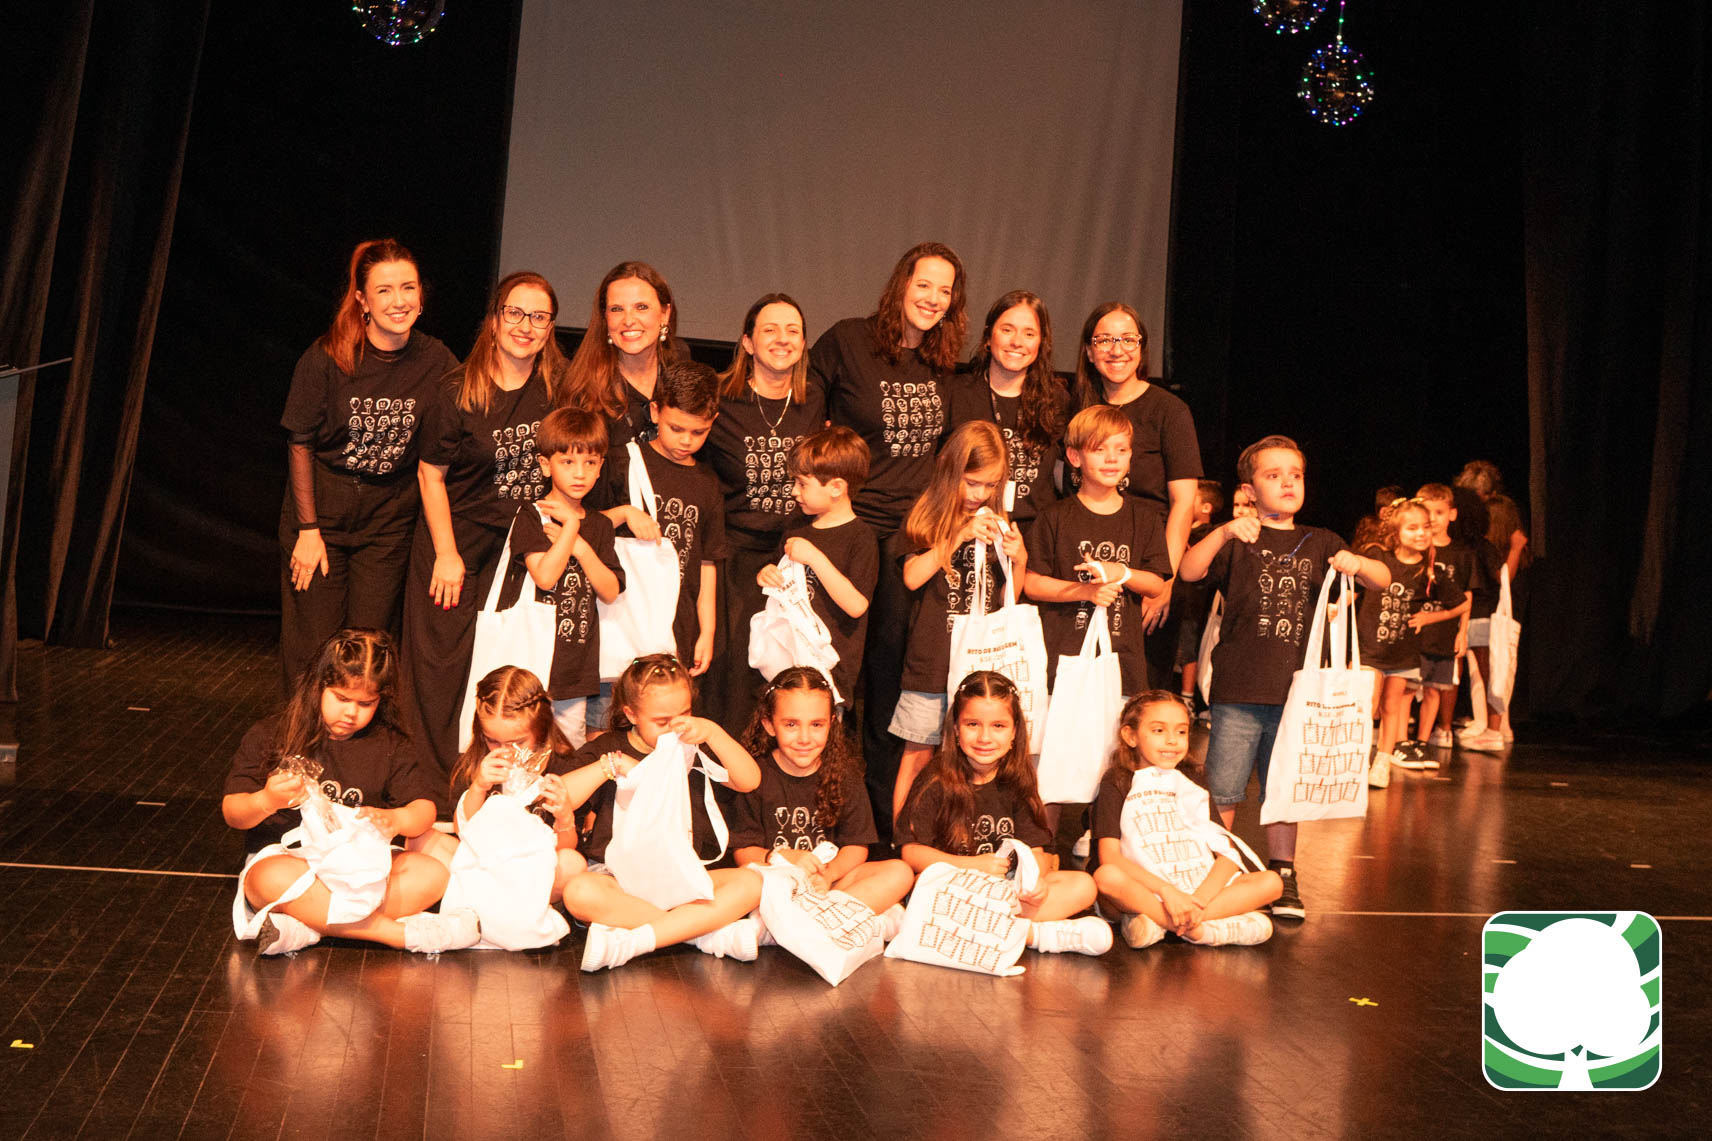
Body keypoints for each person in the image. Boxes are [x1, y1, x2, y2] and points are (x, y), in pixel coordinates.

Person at [1178, 435, 1389, 921]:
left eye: (1295, 474)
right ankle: (1215, 870)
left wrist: (1358, 563)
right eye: (1273, 475)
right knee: (1224, 789)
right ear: (1249, 490)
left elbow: (1381, 578)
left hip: (1297, 695)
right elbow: (1188, 571)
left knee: (1284, 790)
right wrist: (1225, 532)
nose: (1287, 483)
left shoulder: (1322, 541)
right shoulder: (1238, 539)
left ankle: (1283, 873)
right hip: (1237, 689)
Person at [810, 242, 967, 841]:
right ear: (901, 284)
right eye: (923, 284)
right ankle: (816, 809)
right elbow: (806, 413)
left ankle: (878, 825)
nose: (932, 298)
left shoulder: (944, 364)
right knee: (833, 678)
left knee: (888, 685)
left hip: (909, 539)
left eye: (945, 290)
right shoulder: (848, 340)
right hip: (846, 533)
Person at [399, 271, 567, 781]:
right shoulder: (456, 390)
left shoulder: (558, 389)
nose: (525, 326)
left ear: (550, 328)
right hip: (455, 544)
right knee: (440, 673)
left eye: (538, 317)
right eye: (514, 313)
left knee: (503, 672)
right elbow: (430, 475)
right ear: (494, 320)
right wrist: (447, 554)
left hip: (518, 549)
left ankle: (499, 783)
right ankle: (434, 787)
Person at [224, 629, 479, 956]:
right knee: (265, 879)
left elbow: (423, 810)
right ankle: (395, 934)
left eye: (365, 703)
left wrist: (396, 819)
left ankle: (308, 926)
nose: (351, 713)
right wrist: (267, 800)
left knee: (431, 874)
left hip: (361, 870)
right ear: (317, 687)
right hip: (291, 864)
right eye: (342, 698)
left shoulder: (390, 744)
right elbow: (234, 813)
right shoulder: (271, 734)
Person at [278, 239, 457, 690]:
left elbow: (471, 408)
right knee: (314, 646)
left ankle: (360, 733)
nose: (399, 301)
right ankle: (305, 732)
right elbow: (300, 443)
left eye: (408, 288)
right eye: (384, 290)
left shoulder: (436, 360)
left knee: (370, 645)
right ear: (362, 300)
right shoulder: (327, 357)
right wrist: (308, 529)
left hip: (387, 521)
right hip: (322, 515)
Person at [562, 655, 765, 971]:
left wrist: (712, 732)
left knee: (754, 882)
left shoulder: (694, 743)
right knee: (579, 892)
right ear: (631, 714)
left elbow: (749, 780)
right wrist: (609, 766)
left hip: (684, 878)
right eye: (661, 721)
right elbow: (562, 797)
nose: (675, 727)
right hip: (620, 882)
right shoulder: (609, 746)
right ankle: (702, 935)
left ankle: (641, 938)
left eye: (684, 714)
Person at [895, 671, 1110, 956]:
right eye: (972, 724)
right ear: (956, 729)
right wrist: (971, 865)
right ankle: (1036, 935)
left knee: (1083, 885)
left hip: (1003, 894)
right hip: (952, 888)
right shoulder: (936, 779)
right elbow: (911, 853)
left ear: (1014, 732)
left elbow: (1035, 850)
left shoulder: (1018, 780)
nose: (984, 737)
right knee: (920, 892)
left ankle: (979, 930)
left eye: (998, 725)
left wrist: (1034, 882)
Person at [704, 294, 828, 725]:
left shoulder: (815, 399)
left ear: (804, 343)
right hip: (735, 557)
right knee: (735, 675)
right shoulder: (721, 399)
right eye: (770, 330)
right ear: (748, 342)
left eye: (793, 331)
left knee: (792, 675)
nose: (782, 339)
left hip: (796, 554)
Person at [892, 421, 1024, 818]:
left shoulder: (999, 520)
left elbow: (1010, 596)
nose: (980, 494)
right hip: (931, 662)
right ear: (951, 471)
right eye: (972, 483)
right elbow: (912, 577)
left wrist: (1019, 558)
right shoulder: (926, 514)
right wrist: (960, 535)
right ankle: (903, 838)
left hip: (981, 663)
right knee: (918, 753)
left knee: (973, 763)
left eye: (990, 485)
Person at [1071, 304, 1203, 690]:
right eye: (1104, 340)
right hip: (1084, 568)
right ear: (1088, 350)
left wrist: (1164, 581)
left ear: (1142, 348)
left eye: (1128, 339)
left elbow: (1184, 503)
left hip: (1147, 571)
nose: (1117, 349)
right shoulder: (1076, 407)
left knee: (1139, 695)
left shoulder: (1169, 411)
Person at [1090, 691, 1281, 947]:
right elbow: (1110, 858)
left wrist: (1198, 901)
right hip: (1147, 888)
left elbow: (1227, 855)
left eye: (1181, 732)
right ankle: (1207, 931)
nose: (1172, 740)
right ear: (1130, 735)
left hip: (1194, 889)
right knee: (1107, 877)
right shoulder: (1117, 780)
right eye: (1159, 730)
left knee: (1272, 882)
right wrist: (1167, 891)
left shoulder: (1193, 779)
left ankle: (1166, 923)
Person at [730, 667, 913, 926]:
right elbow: (744, 853)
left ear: (831, 724)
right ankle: (834, 922)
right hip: (775, 884)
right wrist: (781, 856)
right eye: (791, 725)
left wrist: (828, 875)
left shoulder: (845, 774)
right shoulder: (753, 775)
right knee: (746, 883)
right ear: (769, 724)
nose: (804, 738)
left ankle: (807, 924)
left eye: (816, 725)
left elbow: (856, 847)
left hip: (828, 885)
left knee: (900, 872)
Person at [1024, 405, 1171, 699]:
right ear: (1074, 457)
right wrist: (1085, 591)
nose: (1112, 458)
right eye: (1099, 449)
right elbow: (1032, 583)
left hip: (1123, 665)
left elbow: (1156, 584)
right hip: (1062, 663)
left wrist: (1122, 573)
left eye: (1121, 449)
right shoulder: (1054, 516)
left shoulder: (1145, 519)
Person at [600, 360, 730, 684]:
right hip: (623, 620)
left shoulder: (707, 482)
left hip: (678, 626)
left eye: (698, 432)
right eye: (676, 428)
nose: (686, 441)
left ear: (713, 422)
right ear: (656, 412)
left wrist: (707, 631)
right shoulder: (622, 461)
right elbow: (584, 526)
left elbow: (707, 562)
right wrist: (624, 513)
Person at [508, 408, 624, 747]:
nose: (580, 473)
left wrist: (580, 545)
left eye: (590, 463)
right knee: (522, 746)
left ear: (601, 467)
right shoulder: (532, 515)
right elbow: (545, 576)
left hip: (576, 668)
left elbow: (610, 590)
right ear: (546, 465)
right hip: (532, 659)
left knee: (568, 750)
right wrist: (571, 525)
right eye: (568, 462)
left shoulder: (599, 526)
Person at [756, 427, 878, 711]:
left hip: (830, 672)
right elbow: (778, 574)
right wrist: (766, 574)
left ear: (836, 487)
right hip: (787, 661)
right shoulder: (796, 526)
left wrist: (815, 558)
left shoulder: (861, 537)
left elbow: (857, 605)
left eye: (802, 484)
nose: (794, 491)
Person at [942, 290, 1069, 528]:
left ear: (1041, 343)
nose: (1017, 342)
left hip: (1035, 534)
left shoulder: (1057, 399)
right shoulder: (956, 392)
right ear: (988, 337)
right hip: (965, 529)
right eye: (1007, 329)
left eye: (1029, 333)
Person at [564, 261, 682, 461]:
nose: (628, 320)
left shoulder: (681, 365)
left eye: (641, 307)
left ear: (665, 314)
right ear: (605, 318)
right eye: (617, 309)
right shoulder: (582, 391)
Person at [1355, 498, 1434, 787]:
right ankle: (1357, 760)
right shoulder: (1379, 557)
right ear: (1395, 532)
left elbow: (1461, 602)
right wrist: (1338, 605)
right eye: (1412, 528)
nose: (1421, 533)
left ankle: (1383, 762)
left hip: (1401, 654)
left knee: (1392, 707)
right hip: (1370, 650)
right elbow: (1356, 588)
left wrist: (1429, 617)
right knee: (1367, 705)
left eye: (1425, 527)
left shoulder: (1426, 570)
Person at [1410, 483, 1473, 755]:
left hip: (1443, 632)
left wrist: (1463, 632)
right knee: (1408, 687)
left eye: (1439, 512)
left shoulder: (1462, 554)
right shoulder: (1416, 550)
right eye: (1427, 512)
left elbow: (1466, 596)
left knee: (1435, 688)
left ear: (1452, 514)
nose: (1433, 519)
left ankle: (1426, 740)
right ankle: (1402, 739)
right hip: (1415, 631)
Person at [1174, 479, 1225, 706]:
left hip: (1194, 601)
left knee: (1189, 647)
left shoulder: (1207, 534)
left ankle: (1187, 698)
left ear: (1206, 507)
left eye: (1192, 498)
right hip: (1178, 598)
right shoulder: (1183, 529)